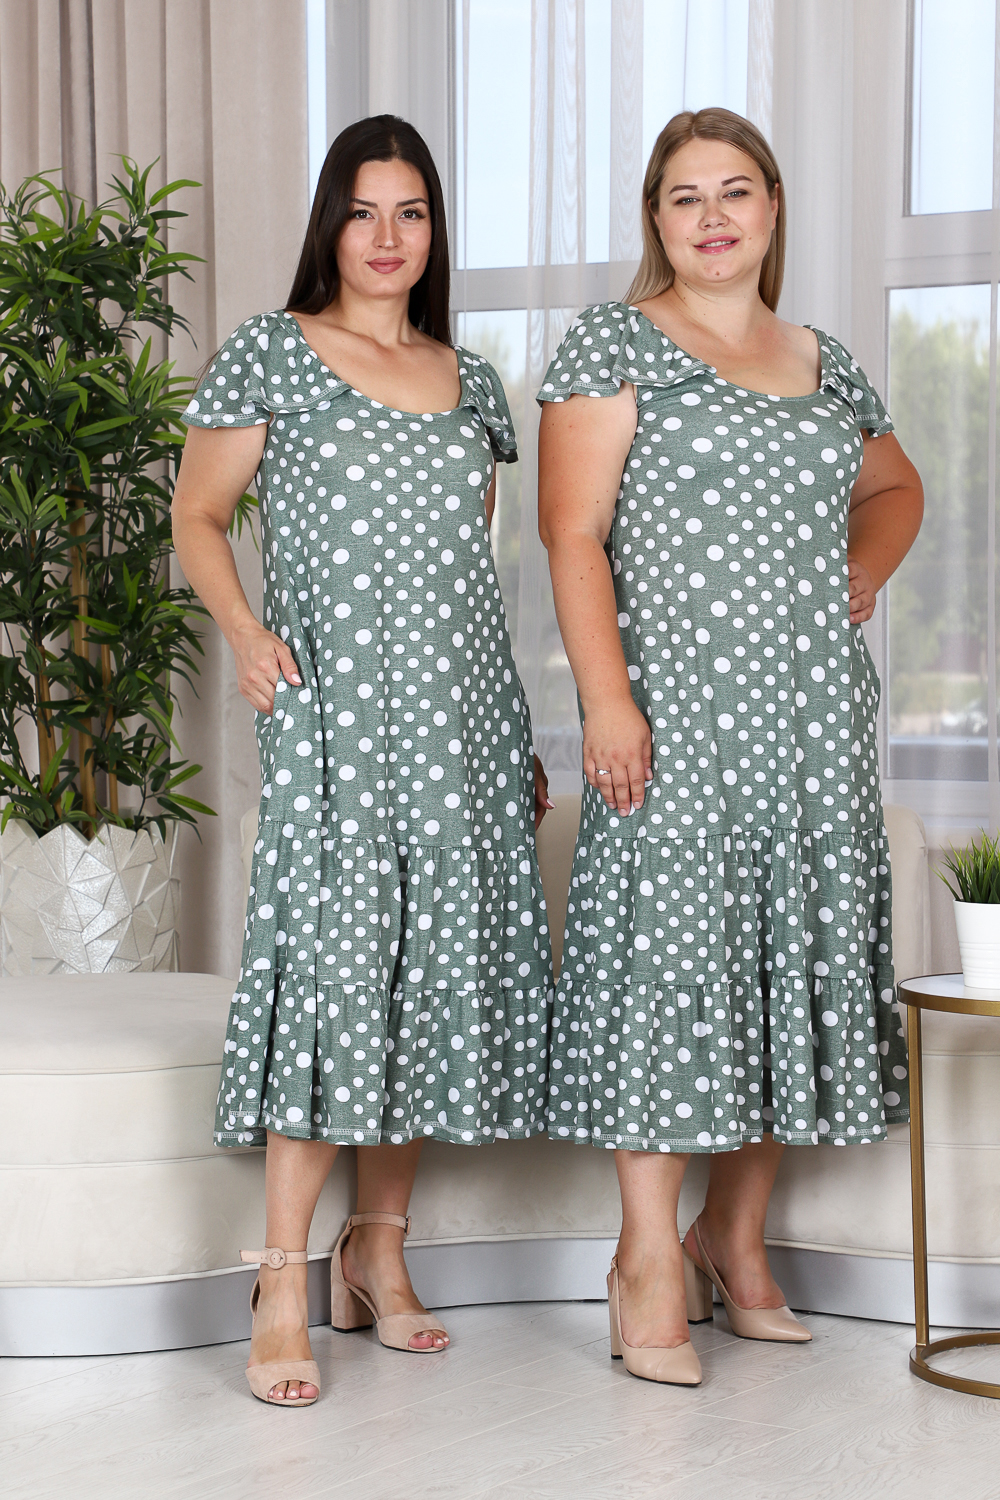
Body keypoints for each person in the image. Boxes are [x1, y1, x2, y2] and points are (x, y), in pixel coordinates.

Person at [536, 107, 922, 1386]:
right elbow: (571, 533)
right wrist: (606, 702)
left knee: (784, 963)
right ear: (656, 217)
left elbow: (895, 488)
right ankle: (646, 1257)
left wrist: (859, 572)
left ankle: (733, 1239)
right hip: (676, 713)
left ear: (770, 208)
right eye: (684, 195)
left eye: (735, 191)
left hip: (811, 721)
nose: (711, 217)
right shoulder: (614, 344)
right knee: (669, 964)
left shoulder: (823, 359)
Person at [172, 115, 553, 1407]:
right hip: (334, 713)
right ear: (329, 224)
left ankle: (377, 1253)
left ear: (434, 230)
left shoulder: (471, 382)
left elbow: (468, 580)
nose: (387, 237)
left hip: (463, 722)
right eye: (363, 211)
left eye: (412, 213)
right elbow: (199, 513)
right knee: (335, 975)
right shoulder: (271, 354)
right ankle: (282, 1276)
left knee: (425, 977)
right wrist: (244, 631)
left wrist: (515, 732)